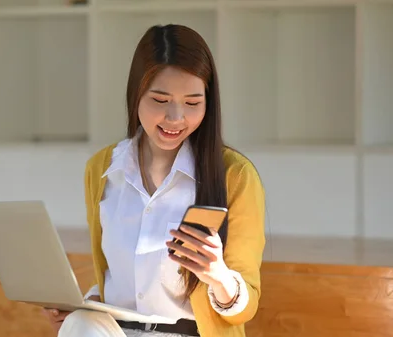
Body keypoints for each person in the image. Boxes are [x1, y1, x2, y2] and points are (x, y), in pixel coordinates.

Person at [43, 23, 266, 337]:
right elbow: (118, 279)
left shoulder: (235, 175)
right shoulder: (101, 170)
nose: (175, 118)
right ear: (136, 95)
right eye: (160, 101)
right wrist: (85, 305)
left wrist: (218, 275)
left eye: (192, 103)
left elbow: (246, 306)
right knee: (80, 325)